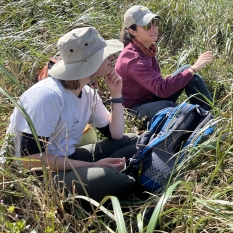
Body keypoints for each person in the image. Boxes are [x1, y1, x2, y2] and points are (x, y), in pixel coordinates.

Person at [7, 27, 138, 202]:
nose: (112, 58)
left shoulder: (88, 94)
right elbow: (30, 161)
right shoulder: (49, 95)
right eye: (105, 55)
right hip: (39, 175)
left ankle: (127, 181)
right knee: (107, 178)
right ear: (88, 62)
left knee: (133, 142)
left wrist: (116, 95)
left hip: (66, 159)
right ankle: (134, 187)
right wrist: (92, 165)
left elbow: (116, 134)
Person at [115, 5, 214, 121]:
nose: (153, 28)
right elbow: (162, 89)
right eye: (147, 26)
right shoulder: (132, 58)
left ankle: (208, 116)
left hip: (151, 97)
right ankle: (202, 120)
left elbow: (158, 86)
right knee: (168, 106)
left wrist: (188, 72)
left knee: (187, 71)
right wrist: (194, 68)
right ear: (132, 31)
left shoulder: (145, 48)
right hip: (135, 110)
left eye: (154, 22)